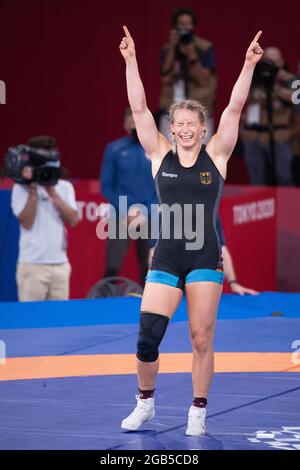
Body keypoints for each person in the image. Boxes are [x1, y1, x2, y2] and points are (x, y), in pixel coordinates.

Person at [119, 25, 263, 435]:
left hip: (204, 256)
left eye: (191, 124)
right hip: (166, 254)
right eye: (177, 123)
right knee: (148, 337)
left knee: (201, 337)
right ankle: (144, 403)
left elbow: (235, 109)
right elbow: (140, 106)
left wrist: (248, 65)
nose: (183, 129)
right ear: (171, 128)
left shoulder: (216, 155)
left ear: (203, 129)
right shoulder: (158, 152)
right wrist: (131, 61)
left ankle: (197, 410)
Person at [11, 136, 80, 301]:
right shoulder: (21, 188)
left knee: (60, 322)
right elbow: (26, 222)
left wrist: (53, 193)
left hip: (60, 266)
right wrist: (33, 190)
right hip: (32, 266)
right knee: (30, 322)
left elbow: (73, 220)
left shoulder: (64, 187)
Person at [100, 108, 158, 286]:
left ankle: (148, 307)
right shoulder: (114, 149)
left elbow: (162, 186)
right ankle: (106, 304)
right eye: (130, 122)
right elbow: (106, 187)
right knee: (112, 266)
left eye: (137, 122)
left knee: (149, 268)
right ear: (125, 124)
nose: (134, 125)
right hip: (121, 216)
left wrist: (146, 213)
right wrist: (129, 209)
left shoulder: (156, 149)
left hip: (150, 216)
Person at [242, 47, 300, 186]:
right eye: (267, 61)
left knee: (284, 176)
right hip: (253, 135)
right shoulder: (254, 77)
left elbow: (296, 98)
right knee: (257, 180)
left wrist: (274, 83)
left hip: (279, 135)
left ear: (280, 62)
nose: (270, 64)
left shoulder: (290, 79)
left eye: (274, 61)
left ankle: (287, 207)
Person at [157, 7, 217, 143]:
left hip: (198, 112)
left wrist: (191, 54)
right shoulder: (167, 49)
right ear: (175, 26)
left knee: (201, 156)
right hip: (170, 112)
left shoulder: (204, 48)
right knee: (168, 156)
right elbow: (165, 77)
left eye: (188, 24)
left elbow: (204, 81)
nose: (185, 28)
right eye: (181, 24)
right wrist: (173, 48)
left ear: (193, 25)